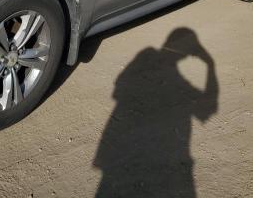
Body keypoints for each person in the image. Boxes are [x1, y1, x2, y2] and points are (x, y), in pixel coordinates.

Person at [94, 27, 219, 197]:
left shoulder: (149, 60)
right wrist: (210, 65)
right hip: (164, 161)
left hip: (118, 157)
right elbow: (208, 108)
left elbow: (118, 88)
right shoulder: (179, 82)